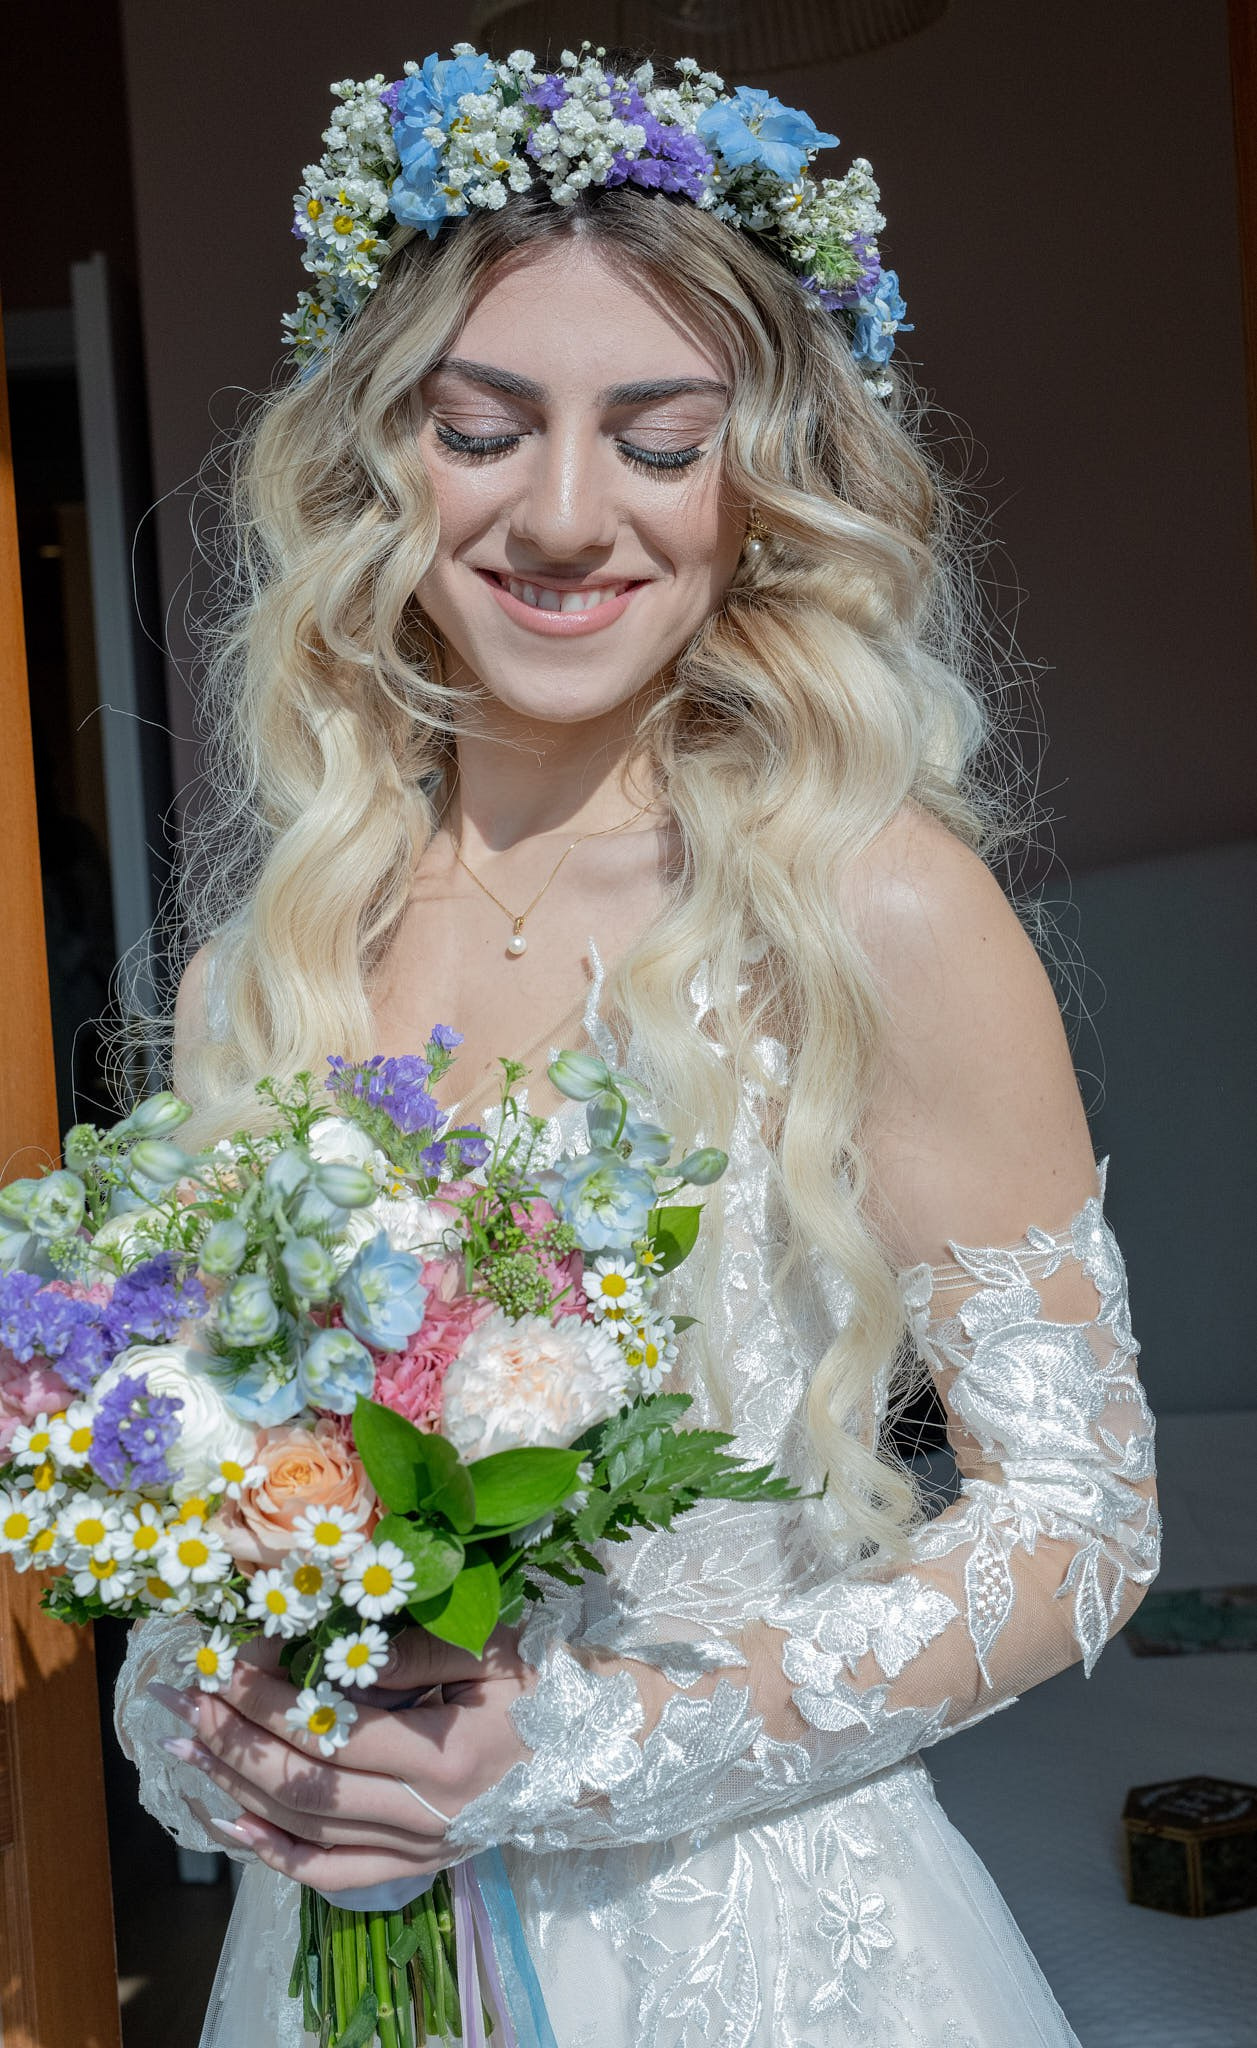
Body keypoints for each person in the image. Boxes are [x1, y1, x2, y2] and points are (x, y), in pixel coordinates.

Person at [115, 45, 1160, 2047]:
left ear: (750, 485)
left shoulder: (874, 909)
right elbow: (204, 1531)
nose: (565, 515)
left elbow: (1080, 1518)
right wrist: (232, 1740)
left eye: (656, 440)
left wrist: (571, 1748)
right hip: (348, 1967)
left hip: (758, 1950)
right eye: (482, 428)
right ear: (377, 461)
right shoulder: (275, 958)